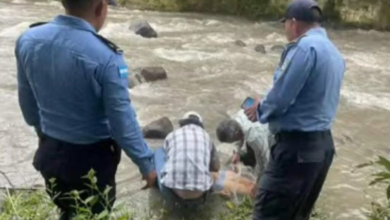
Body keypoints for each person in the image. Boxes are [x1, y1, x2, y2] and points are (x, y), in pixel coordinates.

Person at [15, 0, 156, 218]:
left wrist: (44, 136)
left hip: (50, 154)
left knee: (68, 210)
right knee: (92, 213)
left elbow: (27, 104)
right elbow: (122, 124)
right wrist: (147, 165)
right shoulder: (108, 58)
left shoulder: (27, 40)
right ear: (101, 7)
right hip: (93, 163)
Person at [244, 0, 345, 219]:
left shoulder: (304, 49)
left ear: (294, 23)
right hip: (323, 148)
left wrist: (260, 108)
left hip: (296, 150)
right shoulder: (335, 53)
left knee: (267, 214)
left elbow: (280, 98)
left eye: (285, 24)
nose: (285, 30)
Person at [154, 111, 220, 207]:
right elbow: (216, 167)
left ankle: (157, 183)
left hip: (173, 193)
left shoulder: (172, 135)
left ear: (182, 123)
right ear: (201, 125)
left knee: (159, 152)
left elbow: (167, 157)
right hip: (201, 195)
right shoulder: (207, 137)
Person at [216, 109, 273, 193]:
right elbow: (239, 139)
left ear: (237, 134)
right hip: (259, 129)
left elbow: (264, 161)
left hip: (273, 133)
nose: (234, 142)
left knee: (268, 166)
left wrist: (258, 183)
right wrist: (237, 153)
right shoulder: (237, 118)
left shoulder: (254, 138)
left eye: (232, 141)